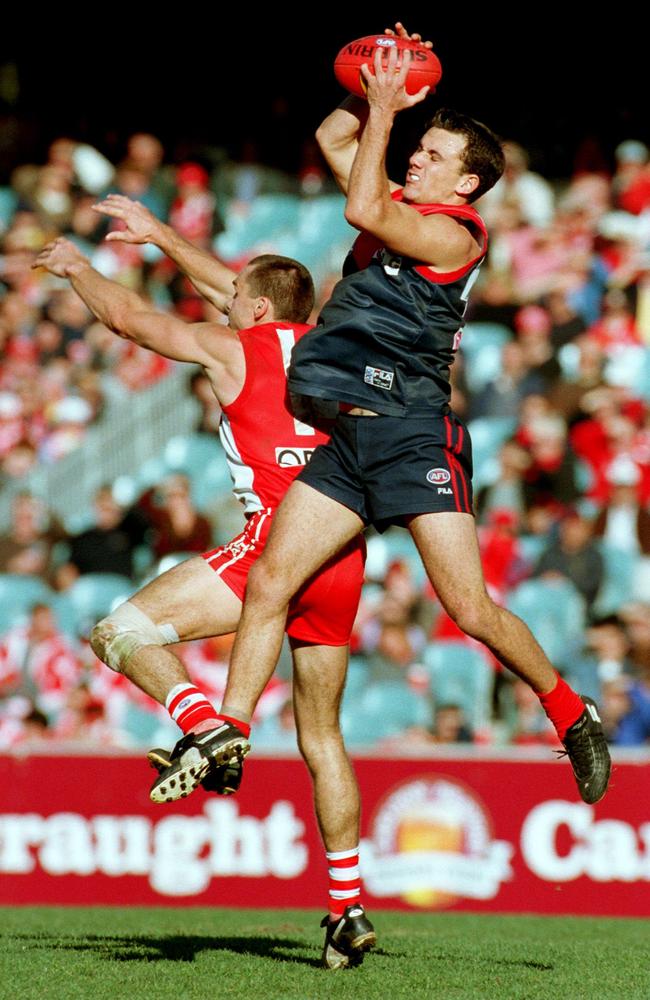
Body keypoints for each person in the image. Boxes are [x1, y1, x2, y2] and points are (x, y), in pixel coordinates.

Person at [156, 23, 610, 831]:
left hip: (411, 432)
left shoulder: (449, 235)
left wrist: (386, 107)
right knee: (270, 582)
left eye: (433, 155)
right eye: (418, 148)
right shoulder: (398, 209)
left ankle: (571, 711)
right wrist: (378, 88)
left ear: (468, 186)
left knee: (468, 608)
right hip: (350, 441)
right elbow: (335, 135)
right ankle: (229, 730)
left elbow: (360, 197)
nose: (414, 157)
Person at [32, 205, 372, 970]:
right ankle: (347, 909)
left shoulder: (234, 348)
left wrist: (78, 268)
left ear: (249, 307)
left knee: (118, 630)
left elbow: (132, 319)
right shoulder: (338, 351)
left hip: (275, 548)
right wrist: (163, 236)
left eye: (235, 298)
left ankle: (203, 719)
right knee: (323, 737)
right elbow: (245, 292)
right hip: (344, 559)